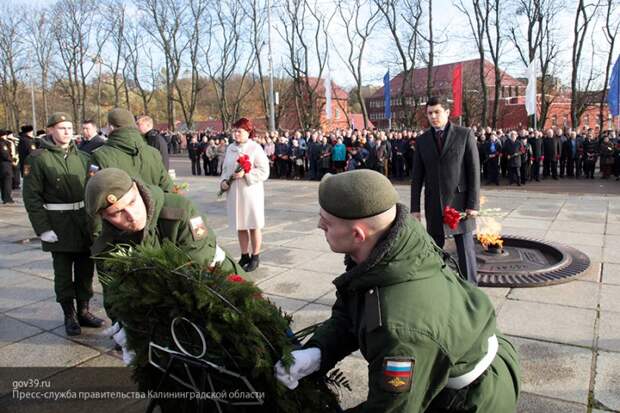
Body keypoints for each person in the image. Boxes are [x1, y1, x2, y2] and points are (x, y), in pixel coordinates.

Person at [274, 169, 520, 412]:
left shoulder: (400, 335)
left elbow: (393, 407)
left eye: (326, 224)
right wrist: (319, 352)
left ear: (358, 234)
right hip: (446, 365)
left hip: (474, 399)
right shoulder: (394, 244)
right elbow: (357, 309)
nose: (319, 225)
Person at [85, 167, 244, 363]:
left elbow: (196, 269)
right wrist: (127, 328)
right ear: (104, 217)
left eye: (133, 202)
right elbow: (114, 295)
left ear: (137, 188)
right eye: (117, 213)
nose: (132, 216)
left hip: (220, 288)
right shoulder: (107, 247)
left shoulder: (178, 210)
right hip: (168, 317)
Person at [22, 113, 104, 336]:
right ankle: (69, 315)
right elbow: (32, 198)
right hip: (58, 226)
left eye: (69, 127)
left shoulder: (84, 157)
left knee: (86, 271)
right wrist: (43, 229)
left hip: (83, 223)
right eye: (61, 128)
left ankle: (84, 311)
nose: (67, 131)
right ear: (50, 130)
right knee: (63, 274)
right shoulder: (38, 159)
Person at [411, 96, 480, 284]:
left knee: (465, 250)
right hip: (434, 204)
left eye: (437, 112)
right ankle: (440, 289)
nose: (433, 117)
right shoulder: (422, 140)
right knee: (435, 250)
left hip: (460, 204)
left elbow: (474, 172)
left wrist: (473, 204)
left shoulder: (464, 134)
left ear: (447, 113)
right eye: (429, 113)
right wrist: (415, 209)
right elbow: (417, 178)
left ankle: (471, 290)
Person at [219, 118, 269, 272]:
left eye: (239, 131)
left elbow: (264, 171)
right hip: (234, 193)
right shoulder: (230, 149)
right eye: (234, 131)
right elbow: (225, 169)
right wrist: (223, 182)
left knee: (253, 225)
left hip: (250, 193)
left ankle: (255, 256)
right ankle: (244, 255)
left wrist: (246, 174)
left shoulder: (255, 148)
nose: (236, 134)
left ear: (248, 132)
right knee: (240, 225)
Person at [89, 108, 173, 192]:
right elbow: (167, 187)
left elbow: (91, 189)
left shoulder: (99, 156)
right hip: (153, 203)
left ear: (111, 127)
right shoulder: (153, 153)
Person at [0, 130, 16, 204]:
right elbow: (5, 154)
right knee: (7, 182)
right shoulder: (2, 143)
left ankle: (4, 197)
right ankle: (7, 198)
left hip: (3, 165)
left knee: (4, 182)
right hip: (5, 165)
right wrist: (12, 160)